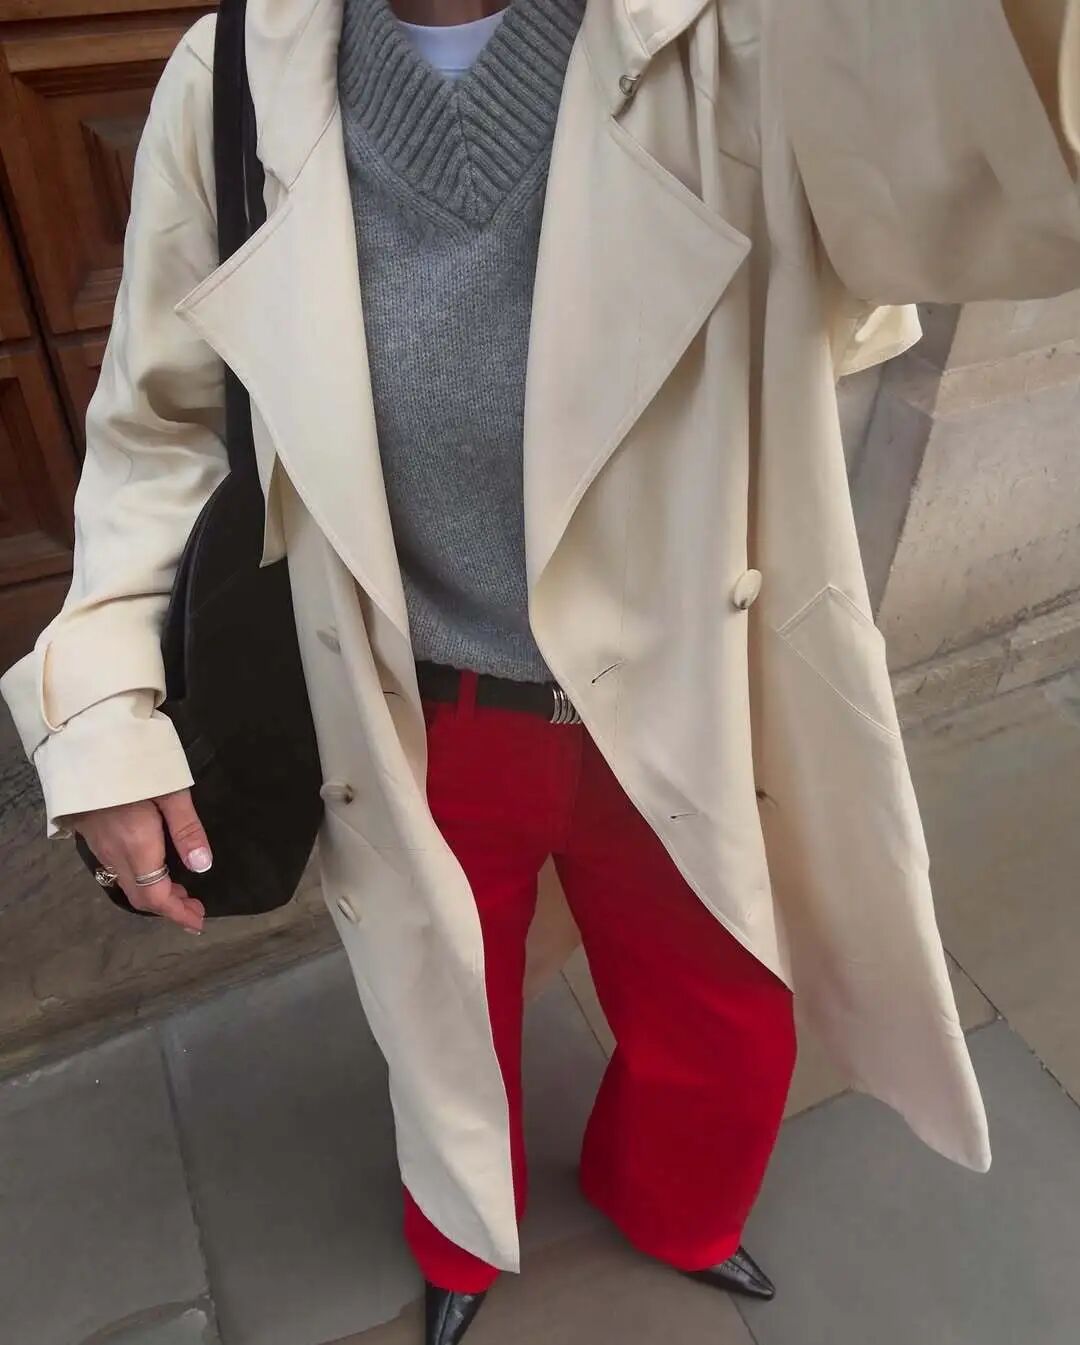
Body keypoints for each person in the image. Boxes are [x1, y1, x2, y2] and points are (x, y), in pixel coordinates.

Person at [3, 0, 1079, 1341]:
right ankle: (461, 1240)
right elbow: (162, 426)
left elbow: (997, 190)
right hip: (416, 710)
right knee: (443, 1014)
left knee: (726, 1007)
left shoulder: (745, 35)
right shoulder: (232, 74)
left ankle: (681, 1210)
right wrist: (104, 706)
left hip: (695, 688)